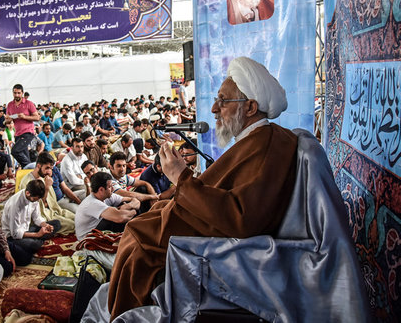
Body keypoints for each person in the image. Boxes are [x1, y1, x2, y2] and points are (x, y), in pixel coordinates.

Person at [107, 56, 297, 318]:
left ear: (251, 107)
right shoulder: (256, 140)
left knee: (138, 240)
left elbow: (241, 218)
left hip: (211, 242)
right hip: (201, 224)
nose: (214, 109)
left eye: (223, 100)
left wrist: (181, 177)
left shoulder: (266, 145)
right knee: (149, 217)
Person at [1, 179, 61, 266]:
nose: (36, 202)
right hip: (13, 237)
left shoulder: (34, 197)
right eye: (34, 200)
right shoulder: (15, 205)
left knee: (56, 224)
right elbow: (15, 233)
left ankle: (37, 239)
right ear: (28, 193)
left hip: (27, 229)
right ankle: (37, 240)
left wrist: (46, 225)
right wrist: (37, 235)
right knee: (34, 244)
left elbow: (37, 218)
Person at [19, 152, 76, 233]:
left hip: (52, 211)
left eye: (51, 169)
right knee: (72, 225)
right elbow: (39, 208)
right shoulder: (27, 182)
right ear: (38, 166)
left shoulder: (43, 178)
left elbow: (51, 204)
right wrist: (47, 188)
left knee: (77, 218)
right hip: (41, 216)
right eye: (47, 168)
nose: (49, 172)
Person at [74, 172, 139, 241]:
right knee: (116, 218)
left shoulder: (108, 195)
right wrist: (134, 211)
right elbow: (121, 218)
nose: (113, 189)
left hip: (98, 226)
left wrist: (129, 206)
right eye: (110, 187)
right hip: (87, 237)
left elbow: (135, 200)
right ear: (101, 189)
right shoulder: (92, 203)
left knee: (122, 208)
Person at [7, 84, 40, 168]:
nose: (17, 95)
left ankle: (31, 167)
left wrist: (24, 116)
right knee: (24, 155)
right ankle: (29, 172)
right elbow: (7, 120)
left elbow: (37, 117)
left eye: (18, 93)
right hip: (17, 133)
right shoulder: (10, 105)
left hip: (27, 132)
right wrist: (8, 119)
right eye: (15, 93)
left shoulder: (29, 103)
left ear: (22, 93)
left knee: (15, 151)